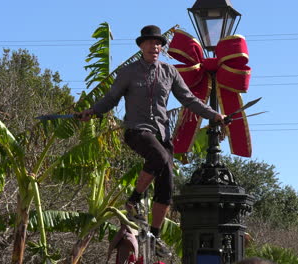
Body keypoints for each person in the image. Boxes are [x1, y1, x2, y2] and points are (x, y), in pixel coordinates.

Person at [79, 25, 225, 257]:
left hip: (161, 133)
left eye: (158, 43)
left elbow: (188, 99)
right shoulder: (128, 72)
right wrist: (93, 111)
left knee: (166, 178)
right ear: (141, 46)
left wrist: (213, 114)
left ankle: (155, 235)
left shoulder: (169, 72)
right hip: (137, 130)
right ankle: (133, 200)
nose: (155, 46)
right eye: (150, 42)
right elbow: (111, 98)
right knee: (159, 156)